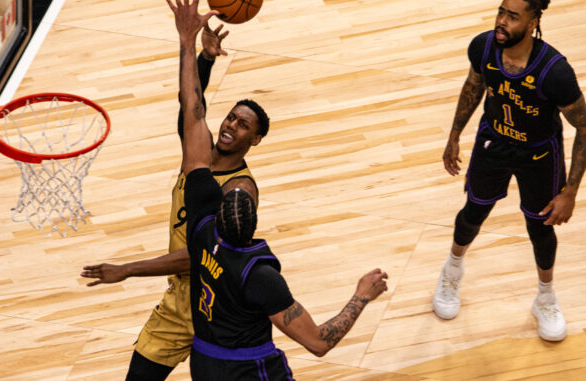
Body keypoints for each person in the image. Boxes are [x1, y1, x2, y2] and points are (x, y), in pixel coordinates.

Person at [168, 1, 388, 379]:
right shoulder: (259, 275)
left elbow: (193, 111)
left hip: (204, 364)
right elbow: (319, 342)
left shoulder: (202, 231)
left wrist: (187, 43)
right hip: (248, 370)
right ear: (254, 225)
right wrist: (362, 296)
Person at [81, 12, 270, 381]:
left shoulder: (238, 191)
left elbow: (199, 255)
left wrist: (128, 268)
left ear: (256, 139)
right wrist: (204, 58)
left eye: (243, 124)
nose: (231, 125)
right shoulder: (199, 157)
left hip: (214, 301)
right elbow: (191, 110)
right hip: (179, 299)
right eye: (231, 117)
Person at [434, 0, 586, 342]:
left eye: (512, 17)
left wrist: (571, 192)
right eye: (501, 11)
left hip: (538, 155)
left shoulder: (555, 71)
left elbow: (584, 128)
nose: (501, 21)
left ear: (533, 22)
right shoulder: (483, 46)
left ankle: (545, 298)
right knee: (473, 212)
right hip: (494, 144)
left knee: (540, 228)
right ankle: (451, 272)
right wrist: (454, 136)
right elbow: (474, 86)